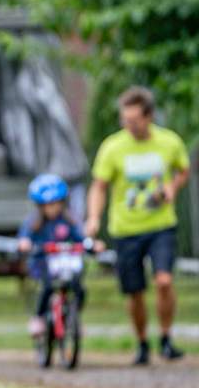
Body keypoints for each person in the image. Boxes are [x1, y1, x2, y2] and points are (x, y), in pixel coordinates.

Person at [85, 86, 191, 365]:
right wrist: (94, 218)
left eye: (134, 120)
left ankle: (166, 338)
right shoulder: (112, 147)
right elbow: (99, 186)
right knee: (135, 292)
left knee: (164, 281)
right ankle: (142, 342)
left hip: (161, 225)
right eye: (125, 120)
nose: (129, 126)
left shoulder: (169, 142)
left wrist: (173, 187)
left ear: (149, 117)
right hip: (125, 228)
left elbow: (183, 169)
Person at [18, 174, 103, 337]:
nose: (52, 208)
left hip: (65, 263)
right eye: (48, 205)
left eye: (55, 204)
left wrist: (92, 244)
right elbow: (24, 237)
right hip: (43, 264)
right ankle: (39, 318)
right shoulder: (33, 222)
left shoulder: (69, 220)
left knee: (78, 288)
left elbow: (81, 237)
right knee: (47, 287)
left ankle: (73, 318)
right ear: (40, 206)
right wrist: (25, 243)